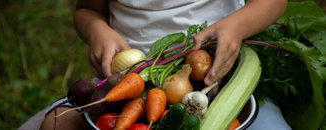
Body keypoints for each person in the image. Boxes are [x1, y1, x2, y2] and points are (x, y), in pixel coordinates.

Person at [19, 0, 289, 129]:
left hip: (218, 88)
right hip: (128, 88)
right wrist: (95, 29)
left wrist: (236, 27)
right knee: (53, 125)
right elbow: (87, 9)